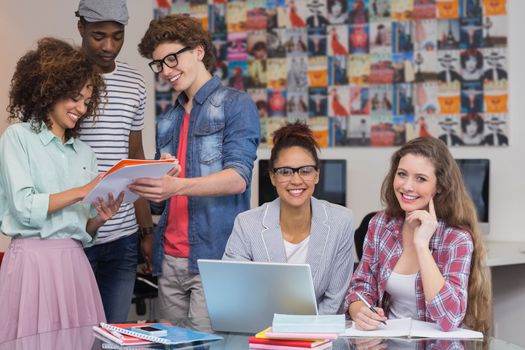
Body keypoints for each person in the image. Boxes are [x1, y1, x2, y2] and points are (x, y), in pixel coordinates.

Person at [131, 14, 260, 326]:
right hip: (169, 260)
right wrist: (146, 185)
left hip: (215, 258)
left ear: (199, 51)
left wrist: (177, 186)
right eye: (158, 64)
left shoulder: (236, 104)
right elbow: (161, 201)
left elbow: (237, 179)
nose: (165, 71)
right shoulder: (167, 119)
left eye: (172, 59)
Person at [0, 38, 123, 342]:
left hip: (75, 263)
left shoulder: (85, 153)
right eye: (74, 98)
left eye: (87, 101)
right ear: (50, 90)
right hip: (32, 265)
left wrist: (100, 219)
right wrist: (82, 191)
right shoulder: (18, 137)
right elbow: (24, 206)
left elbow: (84, 226)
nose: (81, 108)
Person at [346, 137, 491, 332]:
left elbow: (449, 319)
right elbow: (360, 288)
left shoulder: (457, 239)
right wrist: (360, 312)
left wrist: (422, 246)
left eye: (420, 178)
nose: (407, 186)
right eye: (402, 174)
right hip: (387, 342)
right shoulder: (380, 224)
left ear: (439, 186)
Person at [223, 122, 354, 314]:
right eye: (285, 171)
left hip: (318, 333)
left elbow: (334, 300)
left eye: (306, 170)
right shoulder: (247, 224)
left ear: (317, 175)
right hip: (262, 328)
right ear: (273, 177)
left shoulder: (341, 221)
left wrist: (308, 336)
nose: (296, 180)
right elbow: (232, 289)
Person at [75, 0, 153, 323]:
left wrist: (146, 228)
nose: (109, 46)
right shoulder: (64, 81)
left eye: (117, 36)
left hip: (122, 237)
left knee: (116, 334)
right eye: (98, 36)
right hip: (77, 233)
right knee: (80, 336)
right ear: (81, 27)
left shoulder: (135, 83)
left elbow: (135, 156)